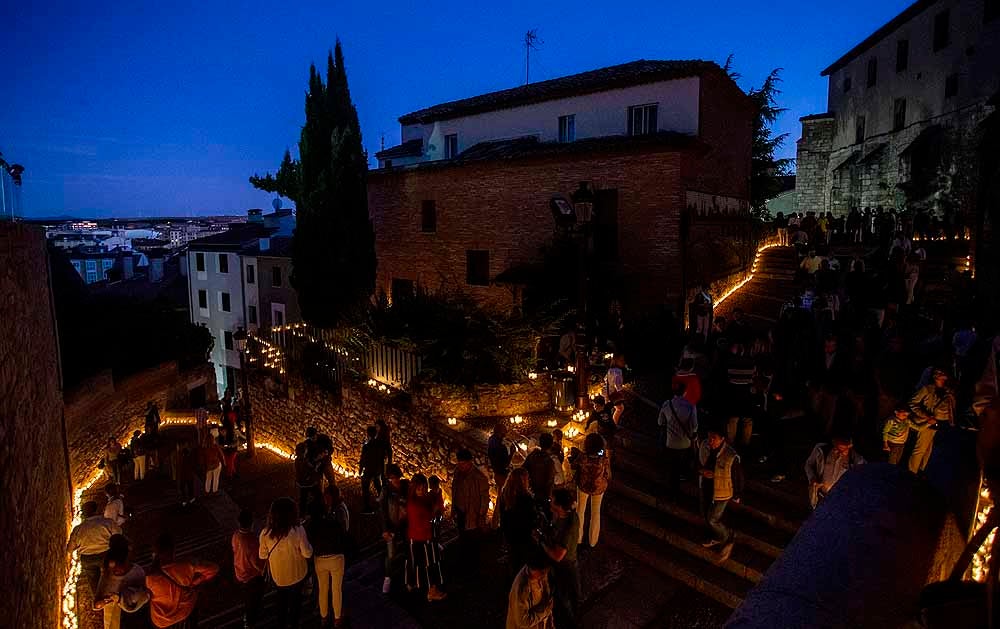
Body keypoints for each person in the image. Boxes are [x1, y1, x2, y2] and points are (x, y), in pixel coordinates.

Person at [259, 497, 313, 628]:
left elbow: (262, 555)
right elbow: (307, 553)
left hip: (279, 577)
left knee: (281, 603)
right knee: (295, 604)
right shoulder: (298, 530)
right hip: (297, 575)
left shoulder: (265, 534)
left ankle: (281, 623)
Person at [146, 532, 219, 629]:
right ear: (173, 550)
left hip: (160, 620)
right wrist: (196, 581)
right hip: (185, 613)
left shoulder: (150, 577)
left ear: (155, 553)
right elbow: (214, 568)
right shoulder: (187, 565)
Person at [698, 426, 743, 563]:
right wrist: (702, 472)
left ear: (722, 439)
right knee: (705, 514)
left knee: (712, 518)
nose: (711, 441)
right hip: (706, 487)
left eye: (714, 439)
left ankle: (726, 536)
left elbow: (738, 477)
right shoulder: (704, 447)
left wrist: (737, 495)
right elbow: (696, 463)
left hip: (722, 492)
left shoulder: (730, 456)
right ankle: (715, 536)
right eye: (709, 437)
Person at [307, 490, 352, 627]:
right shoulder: (335, 522)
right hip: (336, 557)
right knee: (336, 588)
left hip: (320, 558)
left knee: (323, 588)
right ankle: (337, 618)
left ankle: (324, 617)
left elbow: (310, 541)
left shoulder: (313, 524)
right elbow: (343, 536)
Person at [539, 489, 580, 629]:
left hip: (565, 567)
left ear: (560, 506)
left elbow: (558, 556)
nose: (550, 501)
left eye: (552, 500)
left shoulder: (568, 528)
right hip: (564, 566)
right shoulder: (564, 515)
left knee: (565, 598)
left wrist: (541, 542)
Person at [405, 473, 448, 601]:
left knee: (419, 563)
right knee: (429, 564)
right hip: (422, 538)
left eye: (424, 488)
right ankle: (431, 591)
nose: (422, 491)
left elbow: (435, 507)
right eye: (419, 489)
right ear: (414, 488)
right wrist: (433, 513)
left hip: (421, 537)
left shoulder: (424, 499)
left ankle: (413, 584)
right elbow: (427, 518)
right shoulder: (414, 505)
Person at [93, 534, 148, 629]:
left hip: (129, 622)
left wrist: (120, 599)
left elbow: (143, 597)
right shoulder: (107, 573)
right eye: (110, 568)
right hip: (111, 619)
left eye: (116, 568)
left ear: (125, 561)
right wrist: (99, 603)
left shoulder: (137, 573)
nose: (113, 571)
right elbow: (98, 599)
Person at [68, 501, 120, 599]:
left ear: (83, 513)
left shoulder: (78, 529)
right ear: (98, 510)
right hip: (106, 554)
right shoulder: (107, 522)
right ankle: (113, 598)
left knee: (94, 582)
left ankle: (99, 601)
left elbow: (70, 549)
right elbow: (118, 536)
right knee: (110, 578)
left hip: (87, 558)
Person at [908, 369, 956, 473]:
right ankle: (911, 473)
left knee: (929, 450)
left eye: (944, 373)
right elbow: (912, 403)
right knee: (920, 450)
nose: (944, 375)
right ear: (935, 377)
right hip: (929, 423)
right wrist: (927, 417)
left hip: (943, 424)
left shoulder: (948, 390)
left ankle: (921, 471)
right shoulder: (927, 389)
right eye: (940, 373)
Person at [451, 448, 491, 575]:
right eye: (459, 463)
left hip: (472, 515)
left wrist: (481, 516)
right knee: (463, 537)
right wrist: (453, 508)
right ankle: (464, 563)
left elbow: (485, 498)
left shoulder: (479, 477)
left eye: (463, 464)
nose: (461, 466)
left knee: (473, 541)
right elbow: (454, 491)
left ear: (470, 462)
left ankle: (474, 567)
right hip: (461, 511)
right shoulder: (457, 473)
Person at [658, 381, 698, 497]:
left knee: (672, 468)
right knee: (682, 465)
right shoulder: (691, 405)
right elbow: (695, 426)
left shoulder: (667, 404)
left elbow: (660, 422)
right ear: (685, 391)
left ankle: (672, 492)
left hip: (670, 442)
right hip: (685, 443)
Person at [804, 435, 865, 509]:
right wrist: (812, 478)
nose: (839, 453)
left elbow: (863, 477)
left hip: (839, 501)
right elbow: (809, 464)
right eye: (837, 448)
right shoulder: (821, 450)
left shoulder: (856, 460)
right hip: (820, 496)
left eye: (843, 450)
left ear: (849, 446)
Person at [573, 433, 610, 549]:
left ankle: (578, 539)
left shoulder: (582, 457)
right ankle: (592, 541)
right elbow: (608, 474)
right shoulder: (603, 459)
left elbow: (574, 466)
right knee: (595, 513)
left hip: (583, 486)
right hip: (598, 488)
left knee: (580, 511)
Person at [500, 468, 538, 574]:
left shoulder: (505, 495)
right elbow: (531, 518)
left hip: (510, 535)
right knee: (523, 564)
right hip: (524, 536)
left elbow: (503, 516)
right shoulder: (526, 499)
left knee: (514, 560)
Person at [232, 509, 265, 629]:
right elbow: (256, 562)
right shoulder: (252, 540)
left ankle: (249, 617)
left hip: (240, 572)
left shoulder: (236, 535)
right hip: (252, 575)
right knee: (252, 600)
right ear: (252, 523)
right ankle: (249, 620)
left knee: (247, 597)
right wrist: (263, 571)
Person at [505, 552, 555, 629]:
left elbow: (546, 600)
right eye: (543, 572)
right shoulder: (522, 590)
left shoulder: (540, 573)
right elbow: (523, 621)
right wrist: (545, 611)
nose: (545, 574)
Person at [380, 464, 408, 594]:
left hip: (405, 525)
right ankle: (388, 578)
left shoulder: (406, 487)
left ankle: (408, 577)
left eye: (396, 478)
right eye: (392, 478)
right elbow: (383, 510)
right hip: (392, 526)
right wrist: (385, 529)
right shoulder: (386, 490)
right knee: (391, 554)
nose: (395, 480)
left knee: (408, 550)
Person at [488, 422, 516, 528]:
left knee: (501, 498)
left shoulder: (491, 440)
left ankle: (496, 522)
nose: (506, 432)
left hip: (496, 472)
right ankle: (496, 523)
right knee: (502, 499)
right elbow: (505, 463)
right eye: (505, 430)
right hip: (502, 475)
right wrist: (512, 452)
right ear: (500, 432)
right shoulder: (501, 448)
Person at [523, 433, 559, 509]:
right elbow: (549, 480)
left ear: (539, 443)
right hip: (543, 495)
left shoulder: (532, 455)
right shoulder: (549, 461)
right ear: (551, 444)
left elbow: (524, 469)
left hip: (532, 490)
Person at [359, 425, 386, 515]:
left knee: (365, 488)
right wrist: (382, 472)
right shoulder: (380, 445)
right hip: (376, 470)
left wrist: (360, 469)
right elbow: (382, 459)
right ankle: (383, 504)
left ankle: (367, 507)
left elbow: (363, 459)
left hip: (368, 470)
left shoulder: (366, 446)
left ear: (368, 434)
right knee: (378, 486)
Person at [295, 427, 321, 513]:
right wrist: (316, 465)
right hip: (309, 482)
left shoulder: (297, 460)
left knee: (303, 498)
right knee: (318, 496)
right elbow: (309, 470)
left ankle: (302, 513)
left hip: (302, 483)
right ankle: (317, 511)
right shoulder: (304, 461)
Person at [176, 441, 197, 507]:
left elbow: (178, 466)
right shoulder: (189, 454)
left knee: (183, 488)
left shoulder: (179, 455)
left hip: (183, 475)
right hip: (189, 474)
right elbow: (193, 464)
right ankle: (191, 498)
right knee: (190, 487)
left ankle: (184, 500)